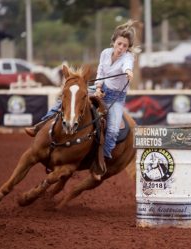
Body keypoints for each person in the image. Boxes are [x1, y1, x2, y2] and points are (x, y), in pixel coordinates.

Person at [25, 19, 138, 178]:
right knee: (67, 99)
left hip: (116, 98)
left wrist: (128, 72)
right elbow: (100, 72)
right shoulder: (105, 53)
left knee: (112, 129)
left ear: (128, 48)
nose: (121, 48)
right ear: (114, 42)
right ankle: (40, 125)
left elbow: (127, 65)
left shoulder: (128, 58)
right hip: (101, 88)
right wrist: (98, 88)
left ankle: (101, 160)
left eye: (125, 46)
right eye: (119, 44)